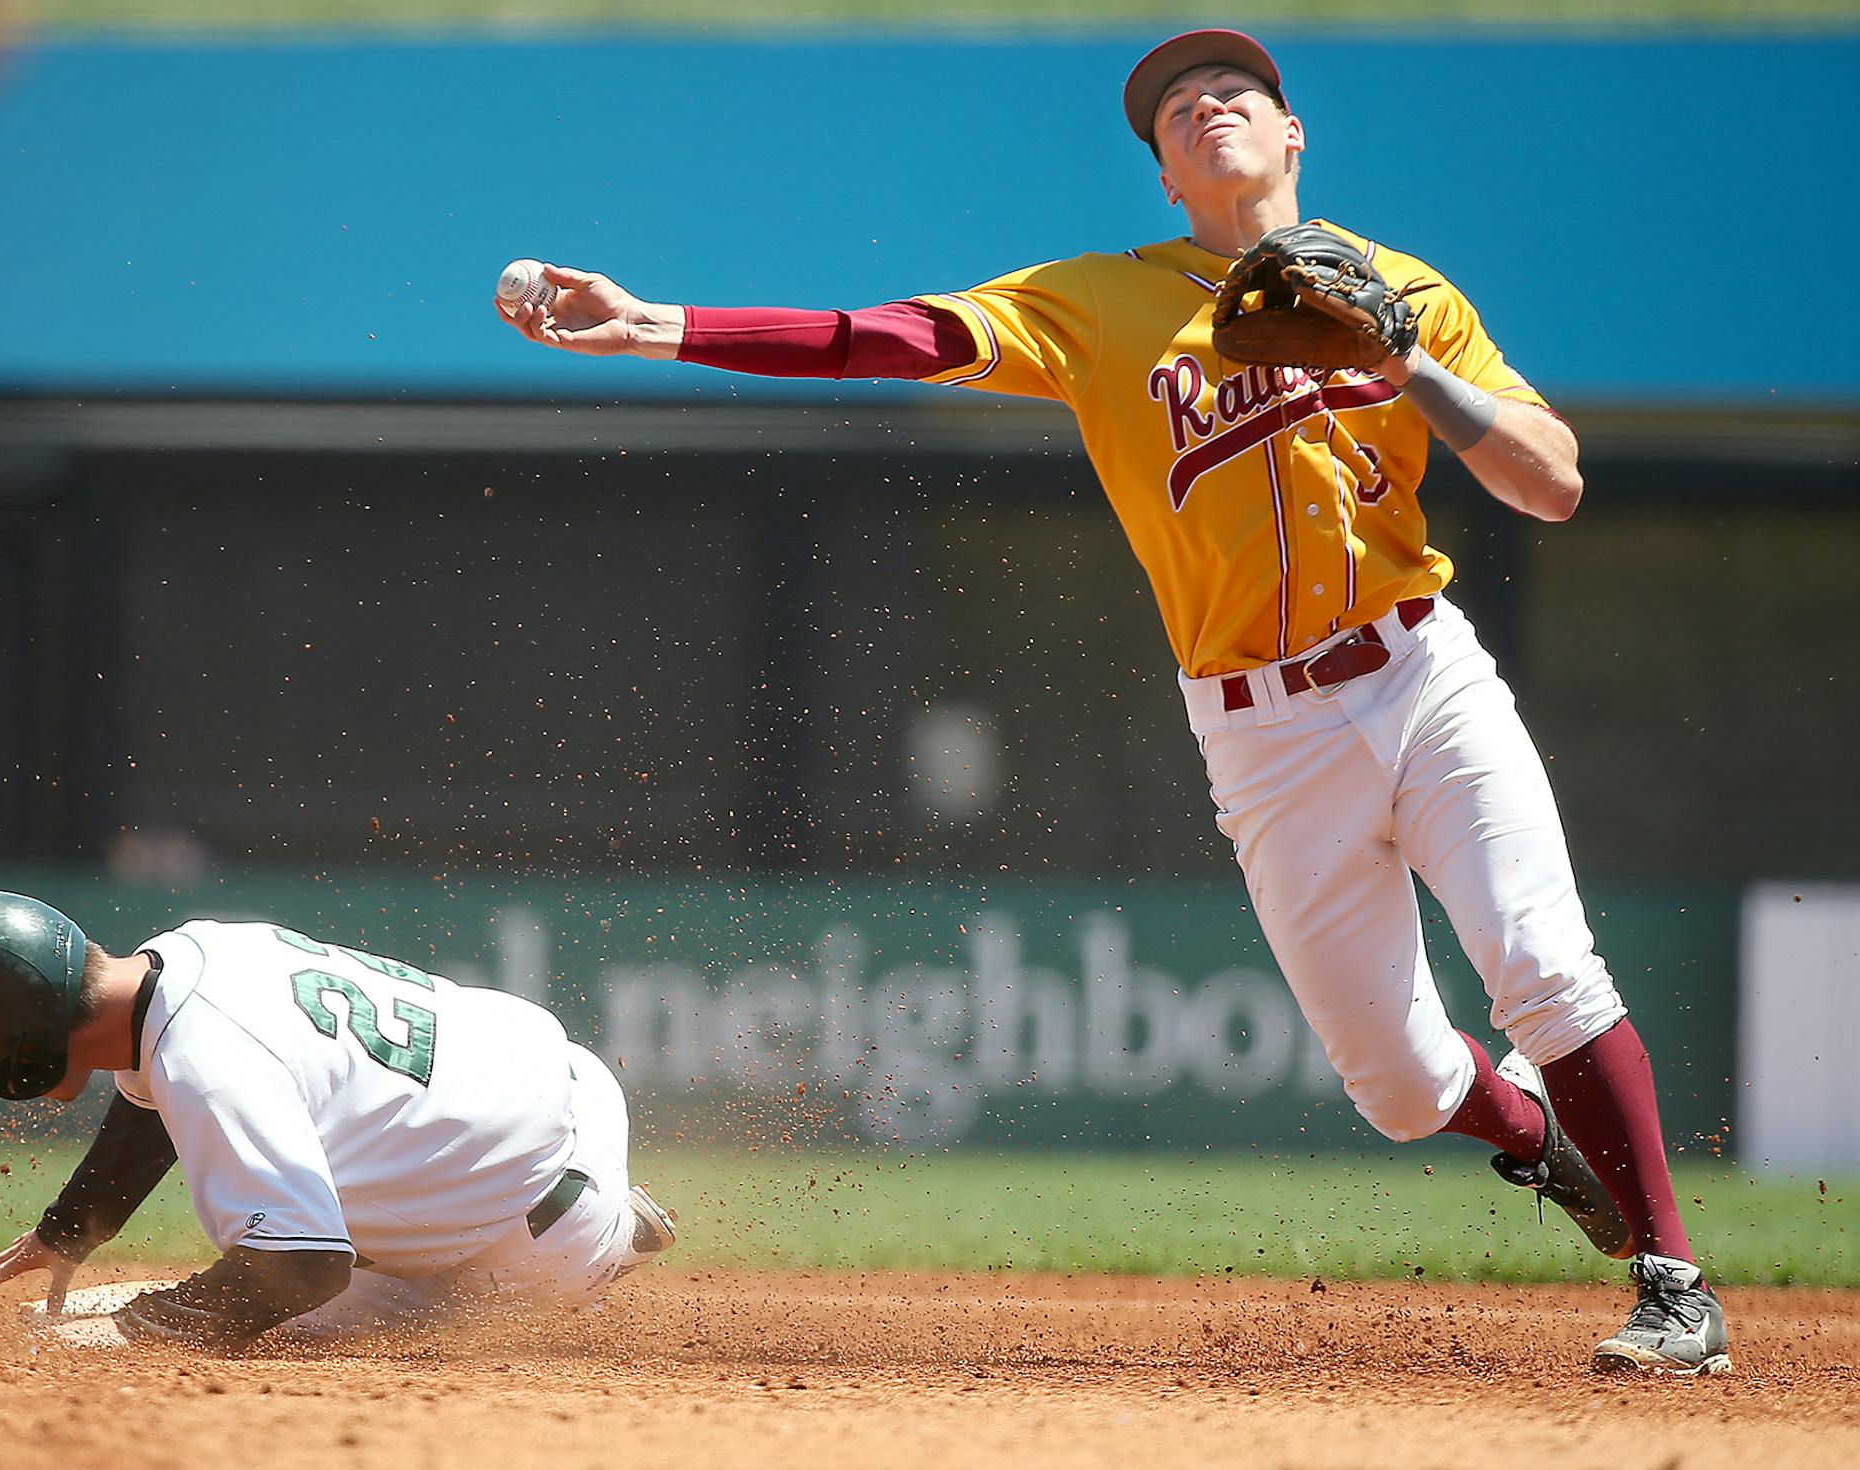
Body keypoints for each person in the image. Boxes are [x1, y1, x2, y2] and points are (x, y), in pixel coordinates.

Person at [497, 29, 1727, 1375]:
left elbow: (1552, 482)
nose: (1206, 109)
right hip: (1260, 728)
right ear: (1163, 179)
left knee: (1544, 966)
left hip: (1424, 670)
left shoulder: (1407, 292)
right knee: (1395, 1083)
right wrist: (657, 326)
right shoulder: (1099, 305)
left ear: (1293, 133)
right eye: (1176, 112)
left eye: (1235, 93)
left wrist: (1402, 362)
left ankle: (1676, 1285)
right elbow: (884, 339)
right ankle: (1537, 1138)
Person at [0, 889, 678, 1348]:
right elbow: (150, 1103)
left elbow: (303, 1264)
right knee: (109, 1313)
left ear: (20, 1045)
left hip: (527, 1247)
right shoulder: (186, 955)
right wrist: (69, 1229)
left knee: (92, 1336)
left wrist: (137, 1333)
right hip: (571, 1080)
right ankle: (606, 1210)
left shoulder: (209, 1061)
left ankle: (612, 1237)